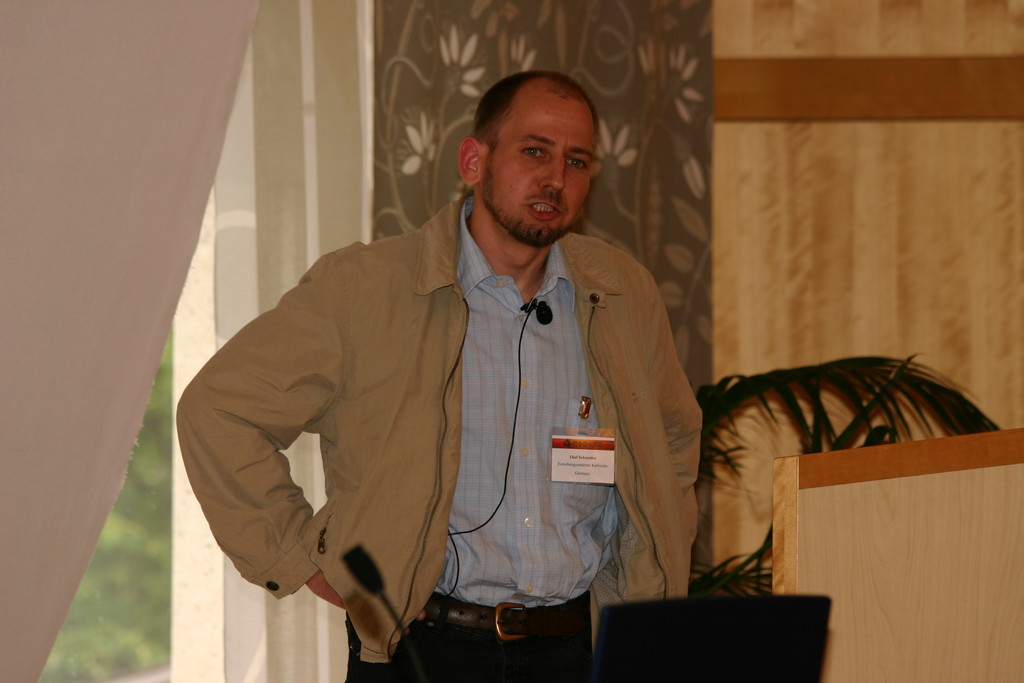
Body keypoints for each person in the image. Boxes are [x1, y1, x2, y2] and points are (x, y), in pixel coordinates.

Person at [177, 70, 701, 682]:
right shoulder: (364, 289)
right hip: (420, 648)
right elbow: (219, 410)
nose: (556, 179)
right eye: (535, 151)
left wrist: (642, 573)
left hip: (574, 650)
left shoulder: (622, 292)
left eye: (577, 161)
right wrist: (301, 558)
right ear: (474, 160)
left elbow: (672, 440)